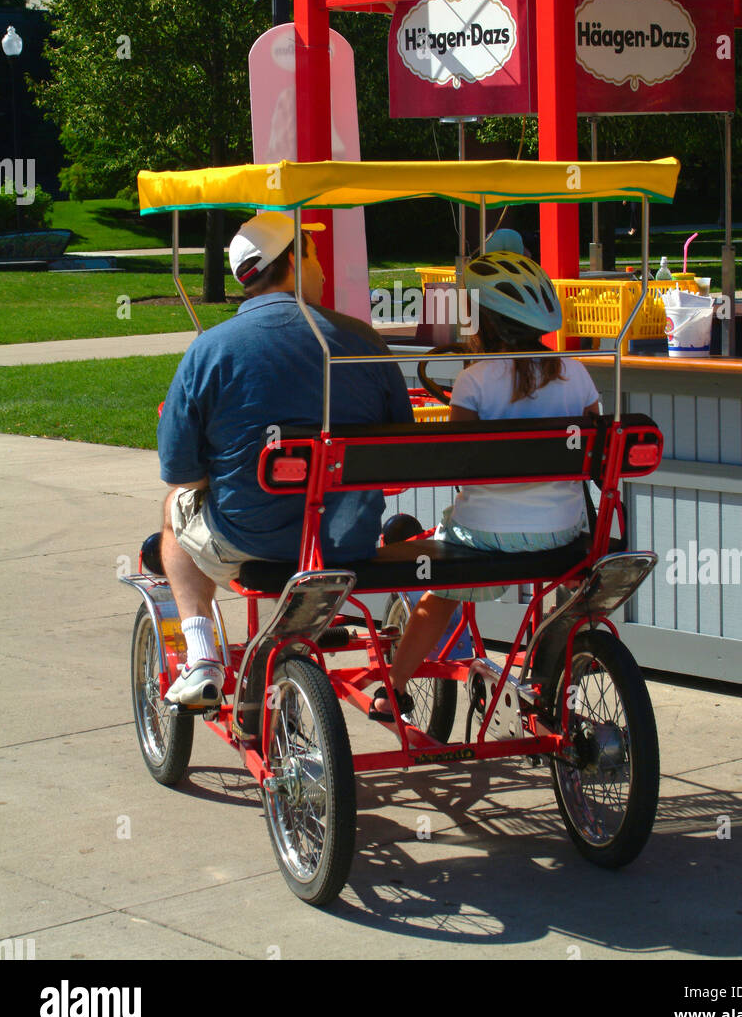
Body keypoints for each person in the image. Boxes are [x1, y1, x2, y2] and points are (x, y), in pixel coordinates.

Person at [159, 211, 413, 706]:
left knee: (173, 511)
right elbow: (398, 451)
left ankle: (202, 656)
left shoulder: (208, 350)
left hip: (249, 539)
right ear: (293, 260)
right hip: (348, 540)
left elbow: (181, 471)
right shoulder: (363, 338)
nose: (320, 270)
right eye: (313, 256)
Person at [369, 250, 600, 721]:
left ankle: (392, 689)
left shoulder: (474, 381)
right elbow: (594, 454)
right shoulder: (576, 372)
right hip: (562, 536)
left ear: (480, 319)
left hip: (484, 542)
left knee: (438, 596)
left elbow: (458, 465)